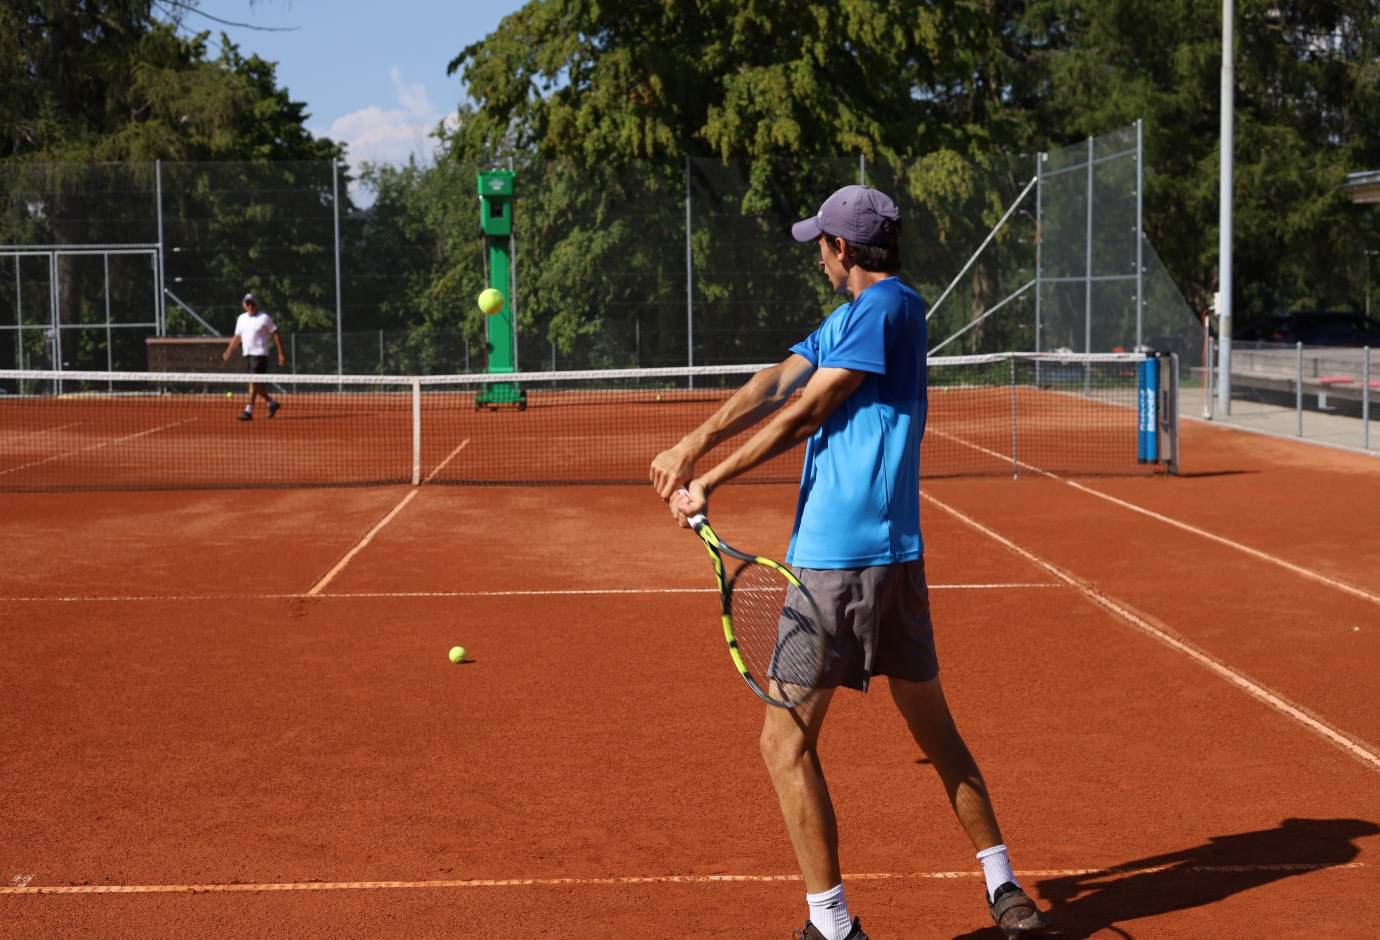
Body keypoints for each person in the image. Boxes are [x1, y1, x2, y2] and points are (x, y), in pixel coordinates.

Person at [650, 185, 1050, 940]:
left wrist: (707, 482)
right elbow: (776, 381)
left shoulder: (888, 309)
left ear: (841, 249)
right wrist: (689, 443)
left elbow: (807, 409)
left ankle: (831, 927)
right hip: (892, 560)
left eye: (821, 247)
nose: (819, 259)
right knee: (933, 728)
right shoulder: (856, 317)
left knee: (783, 742)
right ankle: (1004, 888)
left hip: (834, 567)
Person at [222, 292, 285, 421]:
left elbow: (275, 334)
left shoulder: (264, 318)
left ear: (256, 304)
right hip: (247, 355)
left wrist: (281, 353)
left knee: (253, 382)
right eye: (248, 303)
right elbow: (237, 336)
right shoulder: (241, 318)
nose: (250, 306)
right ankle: (271, 403)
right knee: (255, 383)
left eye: (252, 303)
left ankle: (248, 410)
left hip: (260, 354)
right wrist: (229, 350)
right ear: (244, 305)